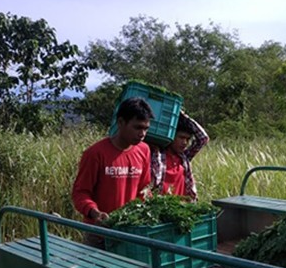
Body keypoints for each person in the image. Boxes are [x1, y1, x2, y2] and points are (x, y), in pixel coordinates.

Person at [72, 97, 154, 248]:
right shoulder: (96, 153)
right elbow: (80, 193)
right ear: (121, 122)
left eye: (146, 128)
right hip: (99, 234)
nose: (142, 133)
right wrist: (95, 213)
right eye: (137, 127)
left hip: (130, 232)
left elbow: (144, 189)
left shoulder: (144, 150)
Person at [150, 111, 209, 202]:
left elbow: (203, 138)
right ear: (172, 137)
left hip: (181, 207)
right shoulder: (158, 155)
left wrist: (183, 116)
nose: (185, 143)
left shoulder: (184, 157)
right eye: (181, 138)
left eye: (187, 139)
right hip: (162, 207)